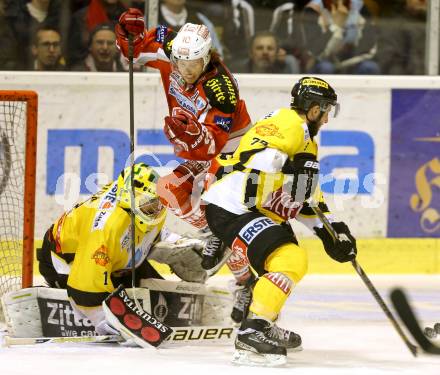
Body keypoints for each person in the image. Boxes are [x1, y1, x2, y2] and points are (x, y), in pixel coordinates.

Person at [202, 77, 357, 365]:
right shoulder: (287, 121)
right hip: (233, 207)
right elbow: (257, 157)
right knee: (290, 260)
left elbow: (303, 197)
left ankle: (262, 322)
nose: (326, 118)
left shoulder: (307, 141)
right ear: (313, 109)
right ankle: (252, 332)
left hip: (253, 209)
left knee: (285, 264)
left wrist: (332, 233)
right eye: (326, 110)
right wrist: (289, 165)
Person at [115, 8, 257, 321]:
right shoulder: (171, 48)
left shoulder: (222, 89)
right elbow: (131, 54)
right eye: (181, 62)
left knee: (215, 201)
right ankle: (213, 235)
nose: (186, 69)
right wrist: (127, 35)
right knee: (169, 190)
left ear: (206, 58)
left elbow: (214, 146)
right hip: (200, 147)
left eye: (193, 63)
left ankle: (243, 277)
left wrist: (192, 133)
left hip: (234, 152)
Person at [37, 163, 207, 335]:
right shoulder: (106, 227)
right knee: (94, 295)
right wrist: (100, 315)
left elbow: (143, 229)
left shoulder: (142, 204)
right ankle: (71, 297)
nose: (155, 210)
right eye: (149, 205)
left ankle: (143, 261)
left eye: (158, 203)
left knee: (152, 294)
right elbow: (87, 278)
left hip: (114, 258)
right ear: (129, 198)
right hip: (64, 261)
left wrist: (173, 243)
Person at [229, 30, 300, 74]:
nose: (265, 52)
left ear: (277, 53)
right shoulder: (238, 72)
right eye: (259, 48)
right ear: (250, 53)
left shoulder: (286, 72)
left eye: (270, 48)